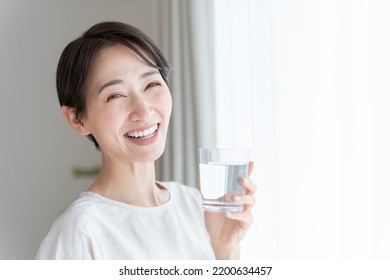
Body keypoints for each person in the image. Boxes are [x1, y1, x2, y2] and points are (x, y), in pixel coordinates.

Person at [35, 21, 256, 260]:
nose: (143, 111)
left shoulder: (194, 205)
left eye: (151, 84)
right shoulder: (80, 232)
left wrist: (225, 248)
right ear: (77, 119)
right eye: (116, 95)